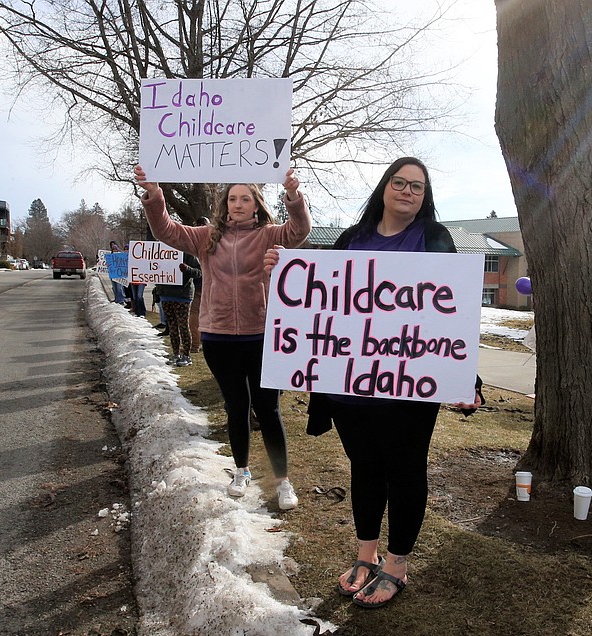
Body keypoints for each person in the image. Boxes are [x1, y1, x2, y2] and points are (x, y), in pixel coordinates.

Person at [266, 157, 483, 608]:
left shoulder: (435, 239)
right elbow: (321, 299)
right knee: (364, 467)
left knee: (405, 472)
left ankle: (397, 564)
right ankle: (366, 554)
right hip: (351, 388)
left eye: (417, 187)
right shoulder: (351, 238)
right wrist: (282, 270)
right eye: (399, 183)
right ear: (384, 188)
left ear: (425, 197)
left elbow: (451, 313)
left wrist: (465, 376)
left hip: (408, 386)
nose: (407, 191)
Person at [134, 165, 310, 508]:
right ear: (225, 204)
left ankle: (282, 481)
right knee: (236, 407)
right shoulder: (206, 236)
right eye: (233, 198)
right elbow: (166, 231)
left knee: (268, 409)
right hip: (218, 337)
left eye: (246, 198)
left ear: (257, 204)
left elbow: (299, 231)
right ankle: (242, 470)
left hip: (261, 335)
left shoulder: (269, 234)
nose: (238, 204)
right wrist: (155, 194)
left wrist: (293, 197)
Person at [156, 252, 198, 366]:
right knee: (172, 326)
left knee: (183, 325)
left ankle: (186, 355)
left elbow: (199, 272)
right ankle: (176, 354)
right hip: (165, 294)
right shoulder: (160, 251)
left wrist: (187, 269)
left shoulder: (187, 252)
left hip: (182, 295)